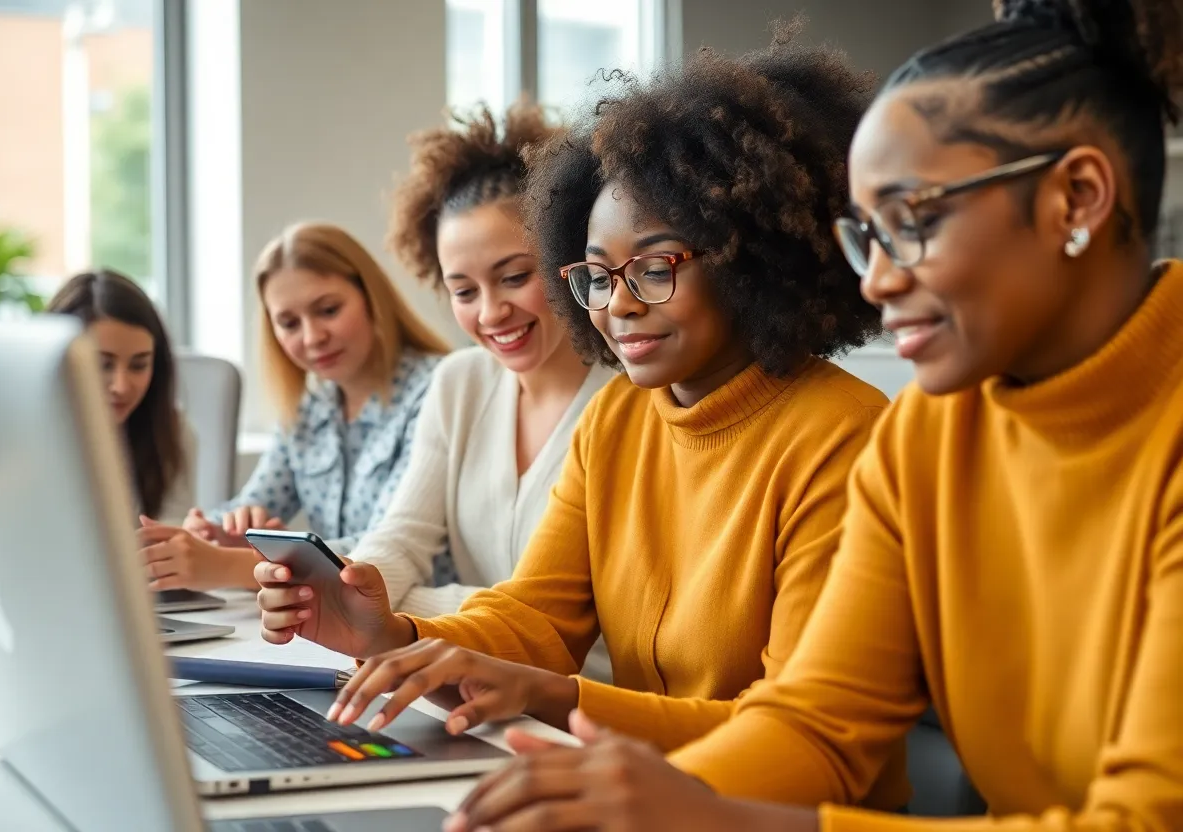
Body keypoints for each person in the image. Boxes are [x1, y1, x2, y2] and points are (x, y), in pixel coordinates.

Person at [442, 2, 1183, 830]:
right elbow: (818, 722)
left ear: (1077, 198)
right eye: (868, 235)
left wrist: (711, 815)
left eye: (914, 223)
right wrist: (643, 804)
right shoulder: (928, 436)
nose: (876, 280)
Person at [254, 27, 906, 807]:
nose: (618, 305)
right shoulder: (622, 420)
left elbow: (795, 738)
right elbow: (538, 615)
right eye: (596, 276)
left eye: (655, 268)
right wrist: (391, 636)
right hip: (639, 799)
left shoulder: (846, 437)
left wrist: (553, 697)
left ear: (751, 259)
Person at [335, 101, 615, 677]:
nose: (491, 312)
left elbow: (569, 628)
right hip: (470, 683)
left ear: (570, 258)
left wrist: (403, 612)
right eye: (464, 291)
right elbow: (402, 538)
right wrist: (353, 593)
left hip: (586, 703)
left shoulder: (630, 401)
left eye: (515, 277)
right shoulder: (459, 383)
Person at [138, 222, 449, 592]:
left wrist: (232, 564)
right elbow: (252, 504)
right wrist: (214, 532)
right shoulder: (308, 408)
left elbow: (387, 548)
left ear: (371, 297)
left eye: (329, 310)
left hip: (430, 624)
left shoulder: (439, 389)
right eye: (288, 323)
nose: (313, 337)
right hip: (344, 625)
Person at [46, 269, 196, 525]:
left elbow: (170, 531)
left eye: (139, 365)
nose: (121, 386)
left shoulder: (171, 431)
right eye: (103, 365)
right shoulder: (24, 435)